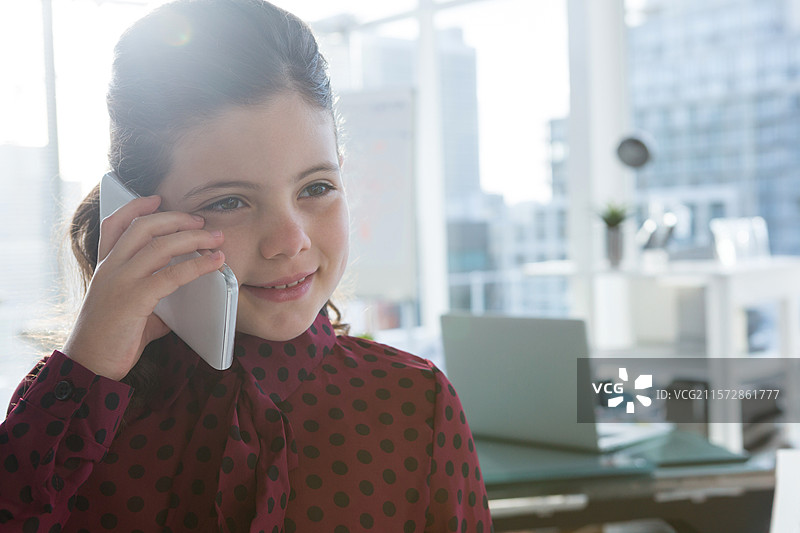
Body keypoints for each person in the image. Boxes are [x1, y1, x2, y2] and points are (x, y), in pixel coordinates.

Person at [0, 0, 493, 531]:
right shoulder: (73, 418)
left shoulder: (415, 403)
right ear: (137, 215)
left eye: (317, 187)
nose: (289, 241)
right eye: (229, 201)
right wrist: (88, 367)